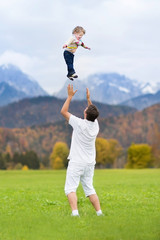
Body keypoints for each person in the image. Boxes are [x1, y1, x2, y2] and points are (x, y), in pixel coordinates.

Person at [61, 84, 103, 217]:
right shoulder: (95, 126)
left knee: (70, 188)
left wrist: (69, 97)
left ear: (85, 114)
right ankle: (99, 213)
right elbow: (92, 112)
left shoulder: (79, 124)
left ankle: (75, 214)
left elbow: (63, 112)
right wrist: (89, 99)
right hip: (89, 163)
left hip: (77, 162)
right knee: (89, 189)